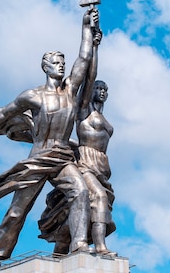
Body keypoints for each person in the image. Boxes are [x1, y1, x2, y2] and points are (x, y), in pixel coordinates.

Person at [0, 9, 100, 273]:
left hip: (62, 157)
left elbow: (85, 57)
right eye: (56, 62)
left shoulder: (70, 90)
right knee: (16, 212)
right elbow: (3, 112)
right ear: (45, 66)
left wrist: (86, 26)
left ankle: (79, 243)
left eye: (63, 62)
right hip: (38, 158)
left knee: (80, 193)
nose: (62, 66)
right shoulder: (32, 96)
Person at [38, 28, 116, 256]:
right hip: (86, 162)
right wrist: (94, 46)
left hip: (102, 166)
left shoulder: (104, 118)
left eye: (104, 89)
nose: (100, 91)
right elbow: (89, 75)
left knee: (97, 204)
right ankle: (100, 247)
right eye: (98, 88)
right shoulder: (84, 111)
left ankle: (67, 242)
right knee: (98, 198)